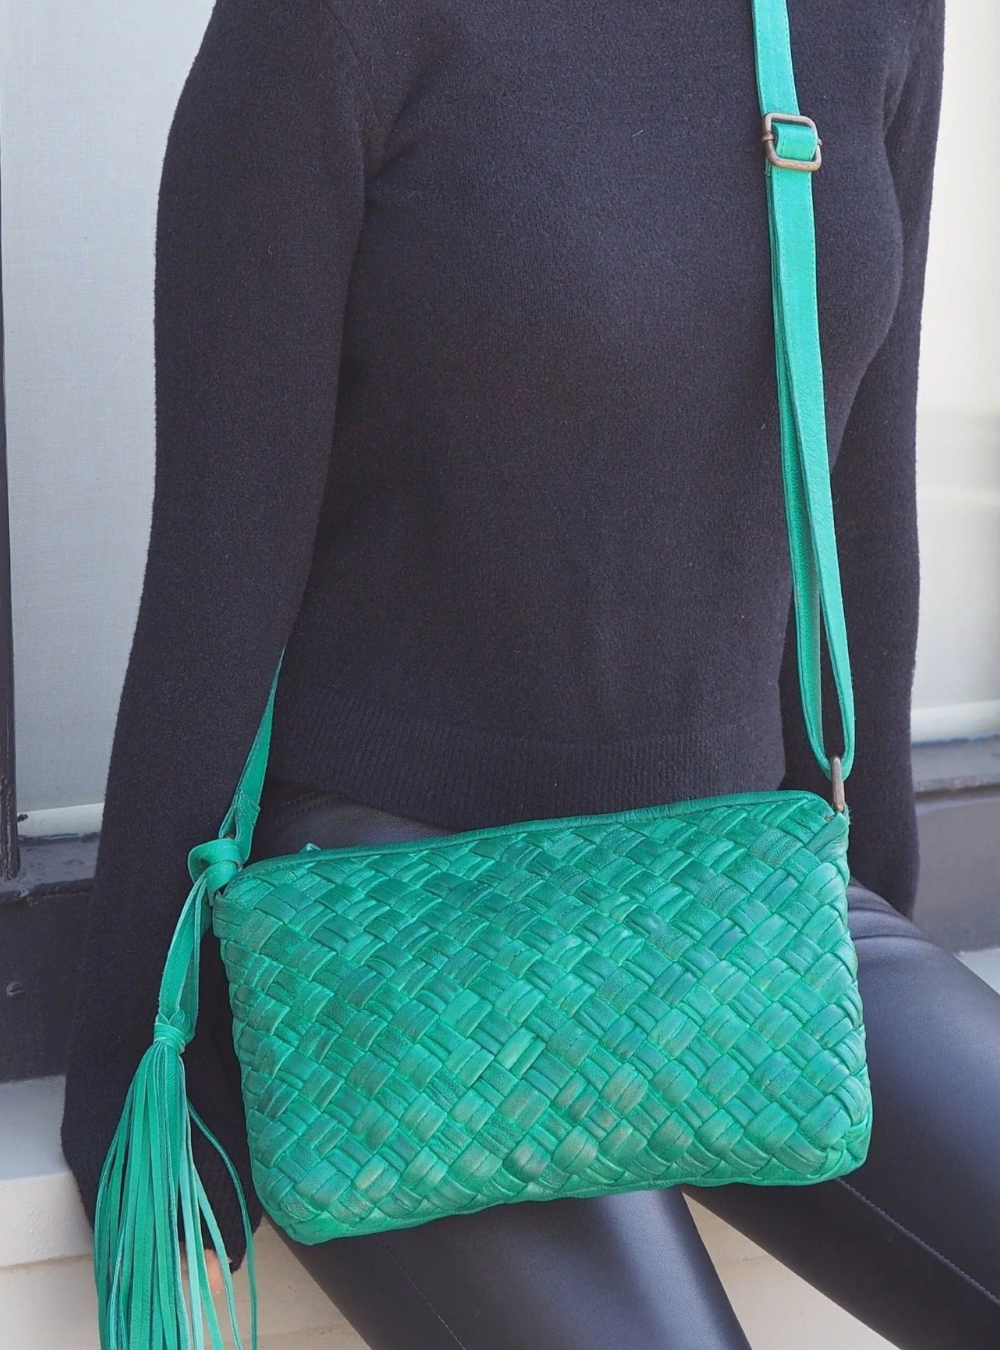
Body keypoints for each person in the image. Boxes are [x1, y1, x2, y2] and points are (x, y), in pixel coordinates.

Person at [62, 0, 1000, 1346]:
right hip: (384, 904)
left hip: (724, 883)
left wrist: (863, 901)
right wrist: (142, 1070)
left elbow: (860, 499)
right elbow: (221, 552)